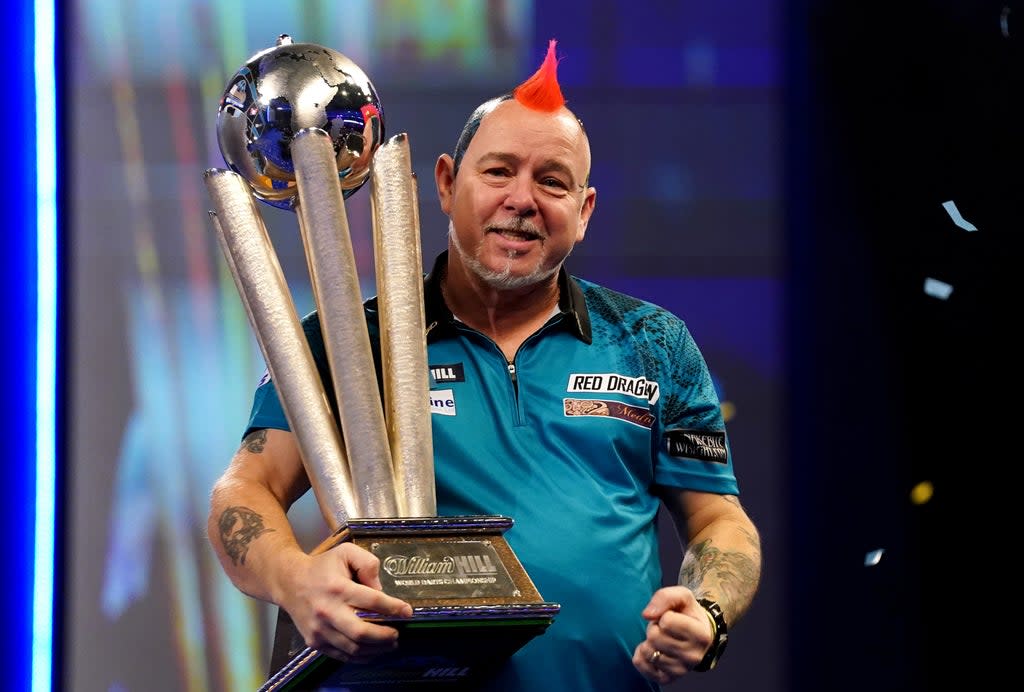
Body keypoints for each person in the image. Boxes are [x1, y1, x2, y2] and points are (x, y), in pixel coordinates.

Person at [207, 39, 762, 691]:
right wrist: (297, 583)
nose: (522, 199)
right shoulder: (349, 342)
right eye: (498, 172)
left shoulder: (654, 342)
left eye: (552, 181)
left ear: (583, 212)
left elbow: (720, 520)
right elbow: (242, 493)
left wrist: (709, 608)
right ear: (445, 183)